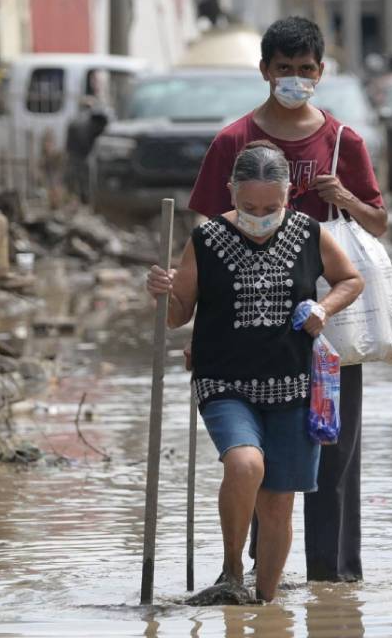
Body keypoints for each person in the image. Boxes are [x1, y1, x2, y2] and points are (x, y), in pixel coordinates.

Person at [188, 16, 386, 583]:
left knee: (334, 450)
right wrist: (198, 331)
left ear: (321, 73)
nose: (295, 79)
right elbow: (205, 243)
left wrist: (342, 194)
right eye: (284, 70)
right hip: (246, 328)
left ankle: (333, 581)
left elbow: (379, 222)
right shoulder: (233, 142)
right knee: (259, 456)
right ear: (264, 72)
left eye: (305, 70)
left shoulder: (344, 141)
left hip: (326, 318)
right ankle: (260, 573)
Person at [146, 140, 365, 603]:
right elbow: (177, 315)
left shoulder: (309, 232)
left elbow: (351, 279)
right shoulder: (205, 240)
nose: (261, 216)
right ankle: (230, 572)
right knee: (245, 464)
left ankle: (264, 606)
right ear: (230, 193)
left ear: (288, 195)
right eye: (249, 207)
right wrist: (164, 293)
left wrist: (324, 309)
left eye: (272, 206)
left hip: (294, 383)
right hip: (224, 381)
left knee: (278, 504)